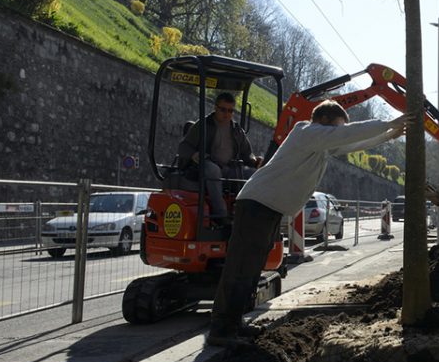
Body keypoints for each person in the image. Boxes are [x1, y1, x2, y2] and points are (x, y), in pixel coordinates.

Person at [208, 100, 412, 346]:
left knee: (250, 270)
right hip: (256, 205)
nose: (336, 134)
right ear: (324, 121)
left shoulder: (319, 145)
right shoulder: (306, 132)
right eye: (335, 128)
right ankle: (221, 330)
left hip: (266, 208)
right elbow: (347, 134)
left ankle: (235, 324)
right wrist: (389, 123)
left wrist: (388, 135)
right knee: (240, 268)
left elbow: (350, 142)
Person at [177, 92, 261, 222]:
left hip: (227, 169)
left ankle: (247, 216)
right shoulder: (203, 125)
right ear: (215, 108)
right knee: (213, 170)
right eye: (223, 110)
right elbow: (183, 147)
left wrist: (255, 161)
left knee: (253, 175)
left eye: (230, 110)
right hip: (202, 167)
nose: (227, 114)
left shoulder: (236, 130)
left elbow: (247, 153)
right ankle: (221, 215)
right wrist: (195, 155)